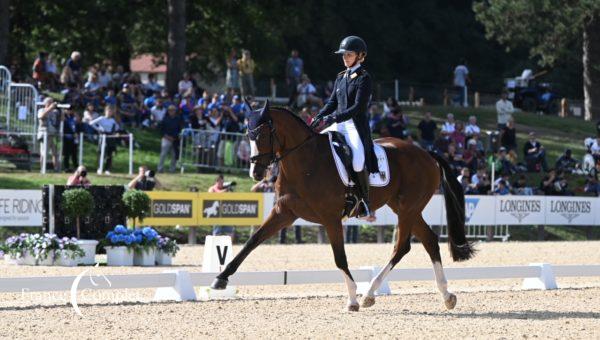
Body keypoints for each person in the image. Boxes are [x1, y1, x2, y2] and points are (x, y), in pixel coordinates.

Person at [311, 36, 378, 221]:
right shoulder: (341, 76)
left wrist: (334, 117)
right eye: (343, 55)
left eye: (349, 54)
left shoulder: (364, 78)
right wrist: (319, 116)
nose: (345, 58)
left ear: (360, 56)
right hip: (337, 124)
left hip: (354, 126)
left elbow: (358, 108)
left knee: (357, 162)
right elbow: (332, 102)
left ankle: (365, 203)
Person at [90, 106, 119, 175]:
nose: (109, 113)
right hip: (103, 137)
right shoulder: (101, 118)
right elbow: (91, 123)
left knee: (109, 154)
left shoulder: (113, 120)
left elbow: (117, 127)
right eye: (108, 111)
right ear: (105, 111)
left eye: (111, 112)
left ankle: (107, 169)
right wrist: (99, 129)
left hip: (110, 137)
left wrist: (115, 132)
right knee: (101, 153)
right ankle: (99, 168)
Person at [37, 97, 62, 171]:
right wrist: (50, 108)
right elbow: (41, 116)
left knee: (55, 153)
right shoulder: (41, 110)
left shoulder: (55, 112)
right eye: (49, 102)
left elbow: (62, 119)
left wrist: (62, 110)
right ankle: (42, 169)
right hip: (45, 134)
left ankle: (56, 169)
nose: (51, 104)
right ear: (45, 103)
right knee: (44, 153)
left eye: (52, 102)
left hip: (53, 134)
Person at [158, 105, 184, 173]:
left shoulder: (178, 119)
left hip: (175, 139)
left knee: (174, 155)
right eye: (170, 110)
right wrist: (167, 137)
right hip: (166, 138)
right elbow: (161, 130)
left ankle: (172, 169)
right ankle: (160, 168)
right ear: (168, 111)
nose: (172, 112)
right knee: (163, 154)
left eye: (173, 110)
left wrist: (177, 137)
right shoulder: (165, 119)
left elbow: (180, 129)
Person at [209, 174, 235, 238]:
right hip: (217, 214)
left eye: (222, 182)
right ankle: (215, 246)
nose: (222, 183)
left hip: (226, 213)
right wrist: (225, 190)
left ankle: (229, 246)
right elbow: (212, 195)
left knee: (230, 231)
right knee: (217, 232)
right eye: (220, 182)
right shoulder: (212, 188)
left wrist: (229, 191)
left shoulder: (225, 189)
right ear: (216, 181)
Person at [62, 107, 81, 172]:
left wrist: (75, 114)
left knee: (74, 153)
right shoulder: (64, 117)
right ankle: (66, 167)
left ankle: (76, 167)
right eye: (68, 109)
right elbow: (62, 120)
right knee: (66, 154)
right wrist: (63, 113)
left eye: (71, 109)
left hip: (74, 138)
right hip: (66, 137)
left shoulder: (74, 117)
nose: (69, 111)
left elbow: (78, 121)